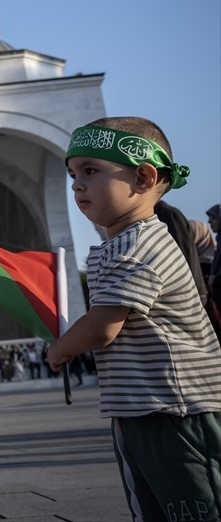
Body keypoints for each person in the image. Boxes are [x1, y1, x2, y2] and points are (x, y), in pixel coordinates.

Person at [48, 117, 221, 520]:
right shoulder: (119, 243)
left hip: (177, 411)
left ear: (143, 177)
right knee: (152, 505)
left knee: (193, 506)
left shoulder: (141, 243)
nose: (76, 184)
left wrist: (61, 347)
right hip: (141, 407)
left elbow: (103, 326)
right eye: (73, 174)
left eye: (91, 170)